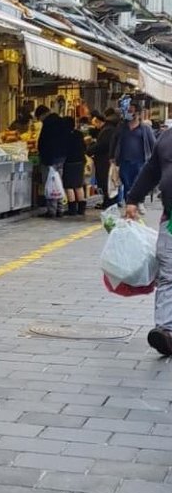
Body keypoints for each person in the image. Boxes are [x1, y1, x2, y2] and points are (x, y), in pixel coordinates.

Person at [125, 130, 172, 356]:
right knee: (168, 274)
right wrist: (133, 198)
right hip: (171, 219)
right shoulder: (166, 138)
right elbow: (151, 170)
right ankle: (165, 331)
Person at [112, 106, 156, 208]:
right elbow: (114, 141)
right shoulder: (122, 128)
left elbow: (153, 144)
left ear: (138, 114)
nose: (129, 114)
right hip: (124, 161)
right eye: (128, 111)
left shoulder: (145, 129)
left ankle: (138, 202)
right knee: (126, 183)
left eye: (131, 112)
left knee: (137, 183)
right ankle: (130, 204)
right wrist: (112, 156)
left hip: (140, 162)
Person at [35, 105, 66, 217]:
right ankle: (60, 208)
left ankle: (51, 210)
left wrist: (43, 155)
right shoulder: (61, 121)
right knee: (58, 183)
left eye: (39, 118)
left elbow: (43, 142)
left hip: (49, 159)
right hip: (61, 157)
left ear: (42, 115)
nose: (40, 121)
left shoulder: (48, 124)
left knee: (50, 183)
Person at [92, 110, 120, 208]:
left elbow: (102, 145)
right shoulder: (111, 128)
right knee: (108, 181)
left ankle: (109, 203)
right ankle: (109, 202)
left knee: (106, 182)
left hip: (105, 160)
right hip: (107, 159)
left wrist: (89, 149)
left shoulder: (107, 130)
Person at [61, 117, 88, 216]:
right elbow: (84, 147)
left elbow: (63, 149)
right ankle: (81, 209)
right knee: (78, 185)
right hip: (80, 161)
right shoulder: (79, 134)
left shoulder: (64, 135)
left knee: (69, 186)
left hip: (69, 162)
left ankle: (72, 209)